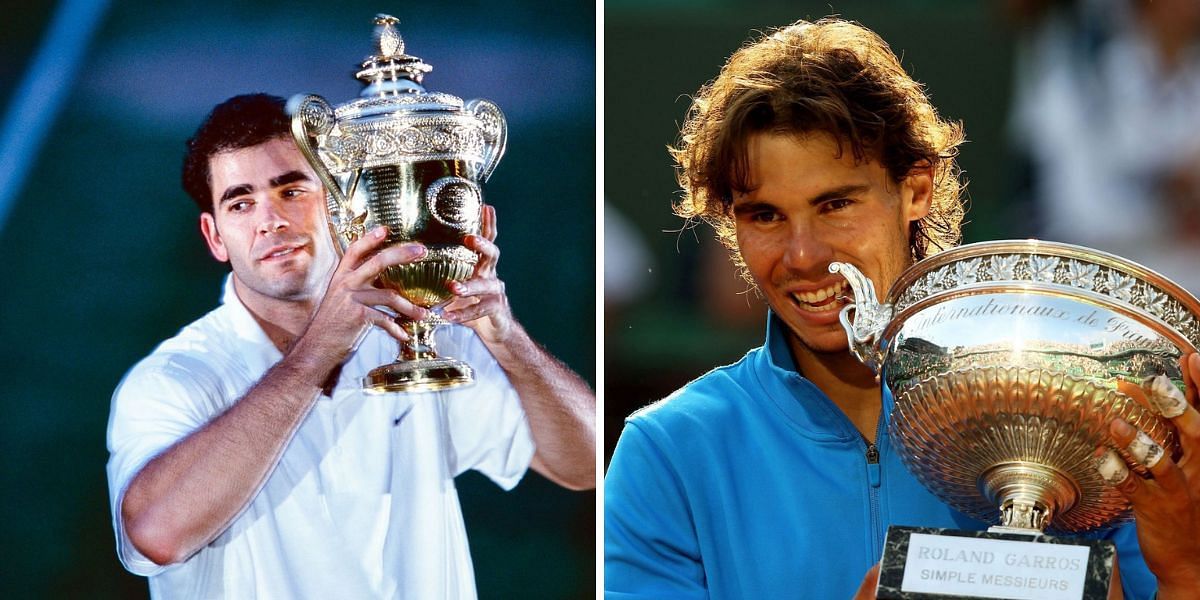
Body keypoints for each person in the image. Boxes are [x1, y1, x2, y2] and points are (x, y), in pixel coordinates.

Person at [603, 18, 1200, 599]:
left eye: (836, 205)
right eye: (765, 215)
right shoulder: (669, 451)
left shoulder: (1088, 427)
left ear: (916, 189)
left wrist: (1187, 578)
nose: (803, 255)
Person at [105, 94, 596, 599]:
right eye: (241, 202)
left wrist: (508, 339)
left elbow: (589, 463)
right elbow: (155, 537)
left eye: (292, 190)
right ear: (215, 237)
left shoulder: (424, 338)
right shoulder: (174, 379)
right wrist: (320, 348)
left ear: (343, 202)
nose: (269, 220)